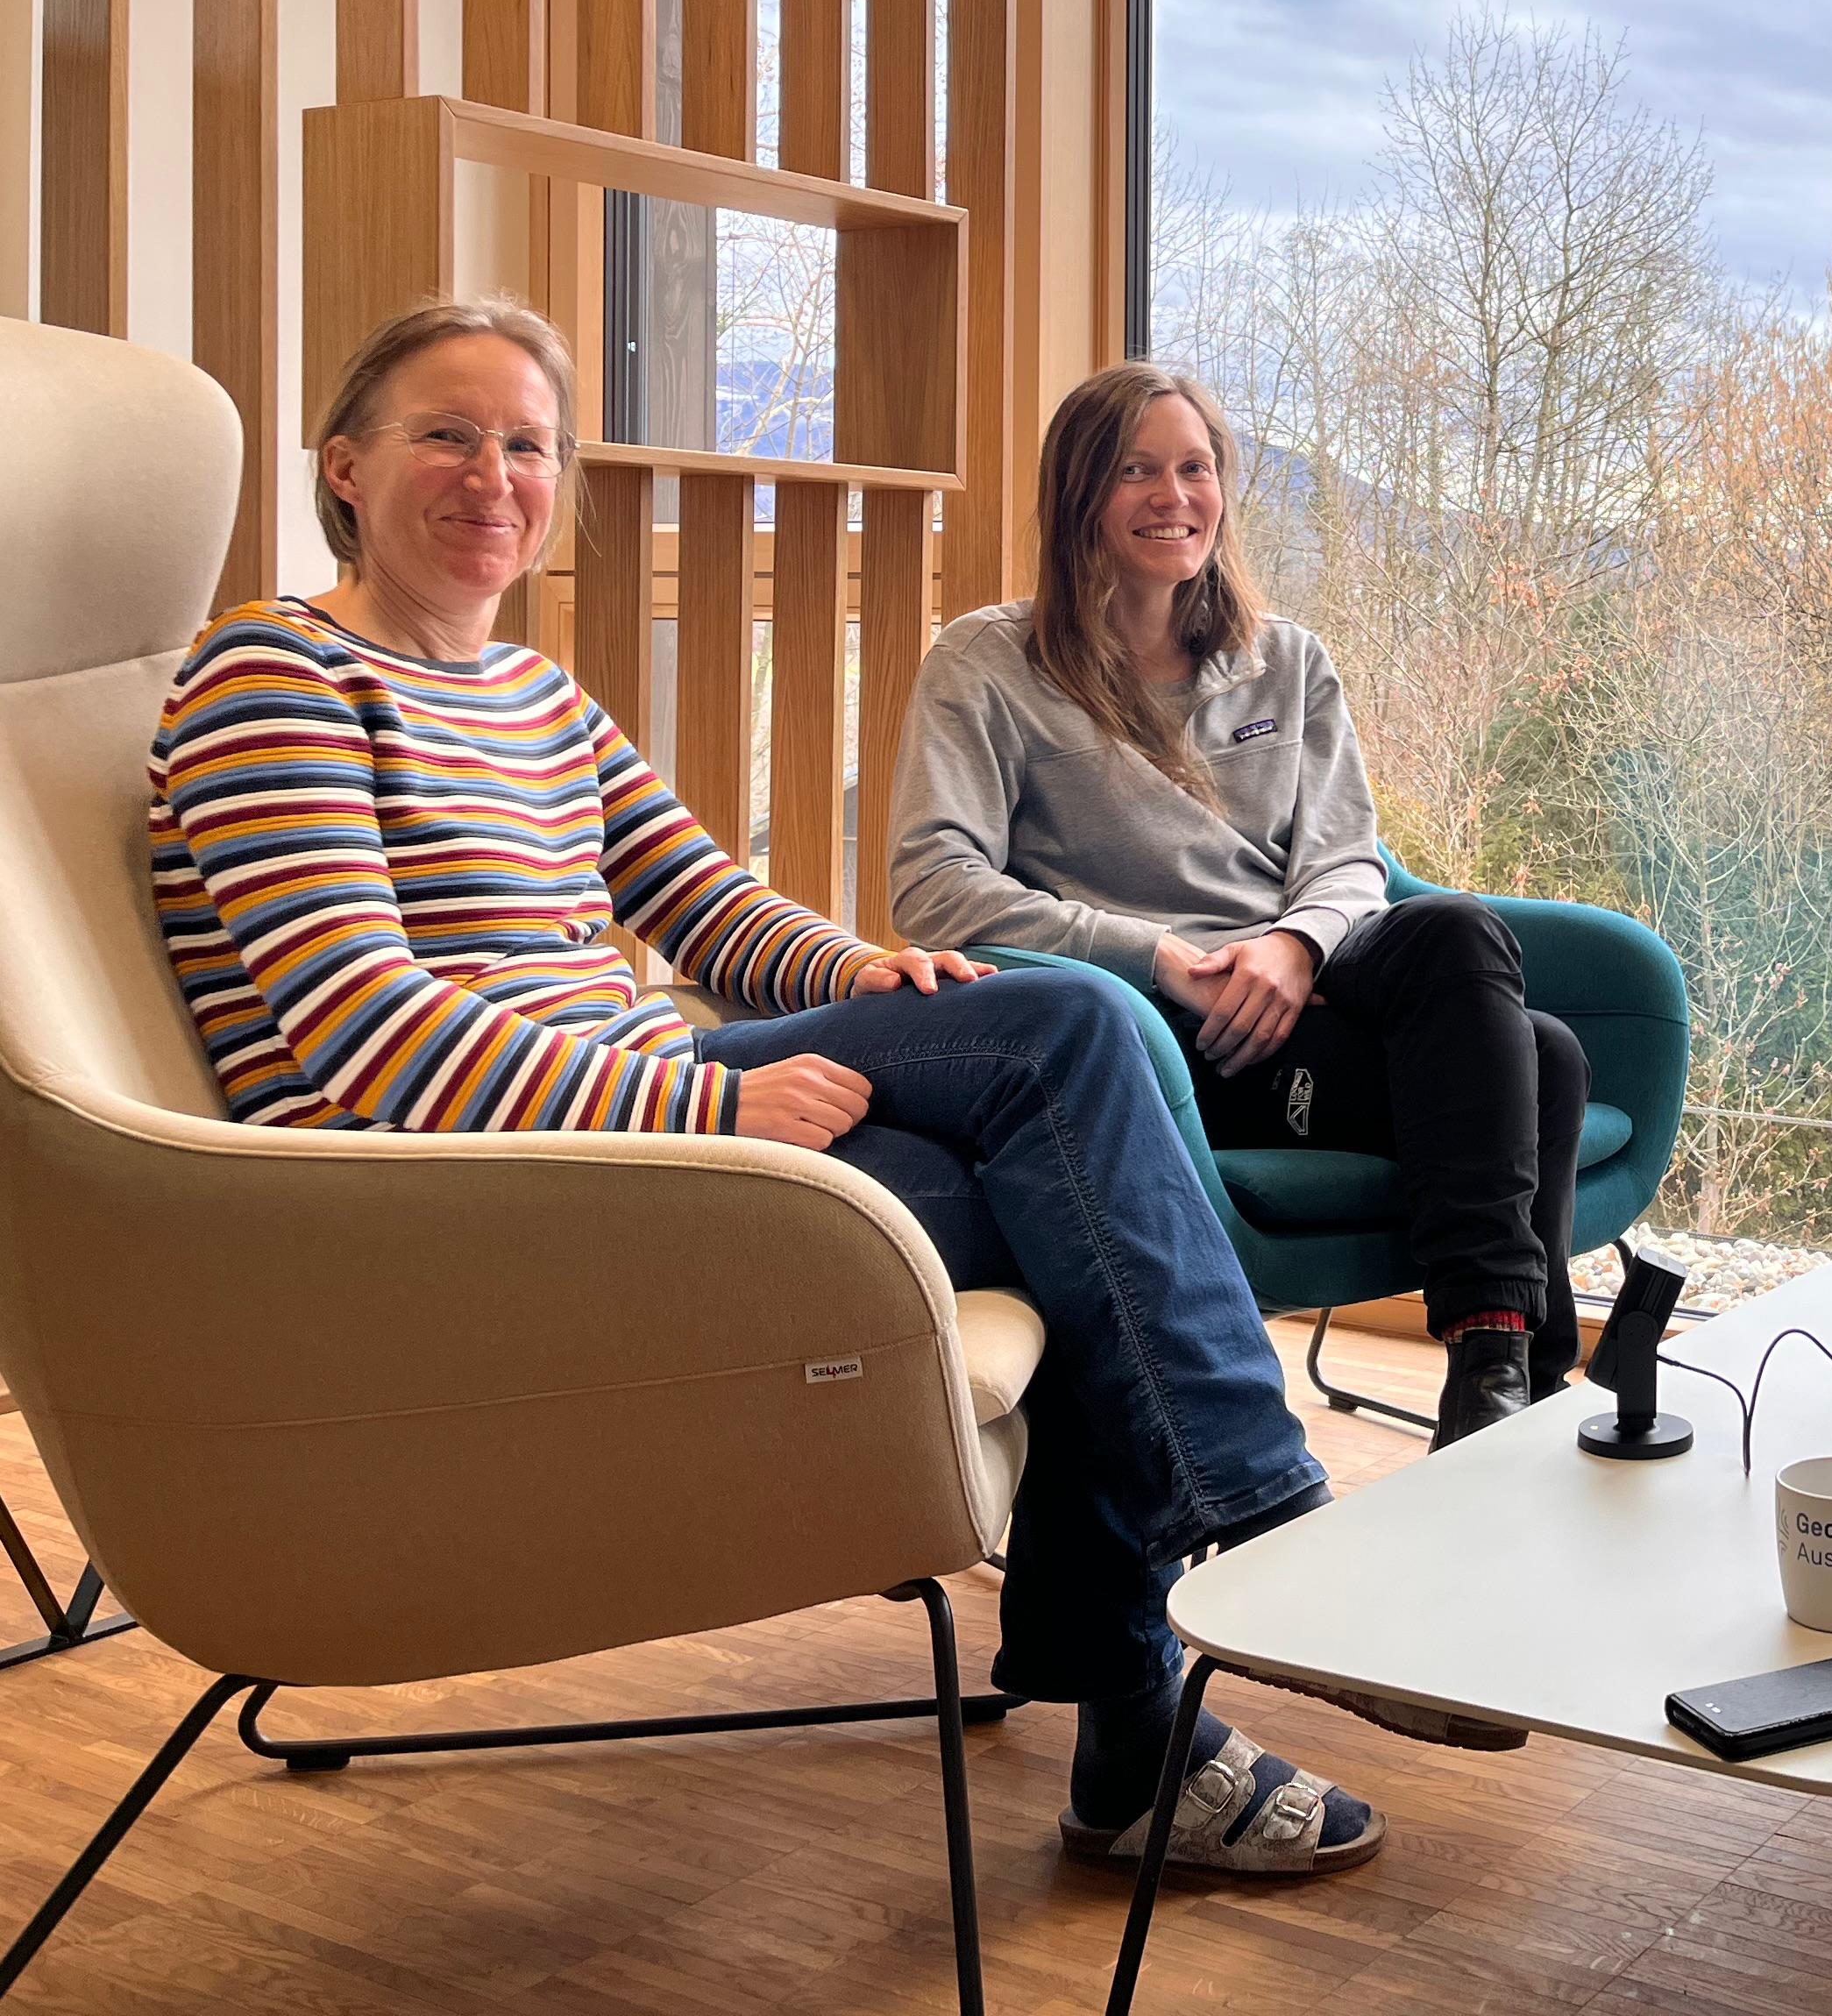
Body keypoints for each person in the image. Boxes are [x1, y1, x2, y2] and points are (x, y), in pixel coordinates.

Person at [148, 296, 1506, 1887]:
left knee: (1055, 1112)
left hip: (609, 1109)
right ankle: (1260, 1549)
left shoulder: (539, 700)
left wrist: (863, 978)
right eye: (447, 432)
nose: (493, 472)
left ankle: (1149, 1720)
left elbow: (710, 905)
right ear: (344, 468)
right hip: (450, 1183)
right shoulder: (275, 673)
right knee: (1067, 1076)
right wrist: (704, 1112)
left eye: (528, 441)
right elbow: (362, 1035)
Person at [886, 361, 1593, 1450]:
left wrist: (1300, 947)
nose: (1175, 497)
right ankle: (1509, 1386)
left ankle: (1494, 1382)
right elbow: (936, 886)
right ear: (1079, 494)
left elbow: (1349, 858)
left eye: (1195, 468)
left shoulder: (1286, 660)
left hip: (1300, 976)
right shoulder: (989, 663)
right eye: (1137, 471)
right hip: (1161, 1024)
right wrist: (1162, 956)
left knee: (1456, 931)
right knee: (1544, 1060)